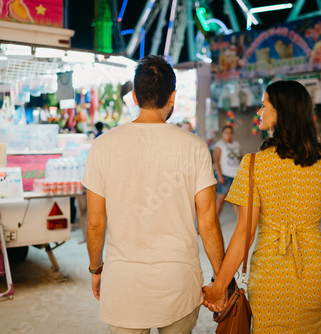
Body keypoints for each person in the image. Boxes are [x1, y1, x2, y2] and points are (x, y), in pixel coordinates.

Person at [82, 55, 225, 334]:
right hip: (179, 281)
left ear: (134, 96)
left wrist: (96, 269)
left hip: (123, 281)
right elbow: (208, 222)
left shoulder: (103, 146)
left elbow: (96, 223)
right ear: (172, 97)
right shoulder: (194, 147)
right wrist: (221, 278)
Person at [203, 80, 321, 333]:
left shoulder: (255, 164)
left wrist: (219, 287)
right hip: (317, 275)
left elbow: (245, 234)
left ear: (280, 112)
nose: (259, 111)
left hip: (271, 276)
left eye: (264, 105)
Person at [213, 125, 242, 218]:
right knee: (221, 199)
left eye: (230, 132)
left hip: (236, 175)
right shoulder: (219, 145)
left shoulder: (236, 144)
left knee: (236, 201)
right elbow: (216, 161)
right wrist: (219, 175)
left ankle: (240, 223)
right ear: (223, 133)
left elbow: (240, 159)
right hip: (225, 174)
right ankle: (215, 220)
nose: (228, 134)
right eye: (226, 132)